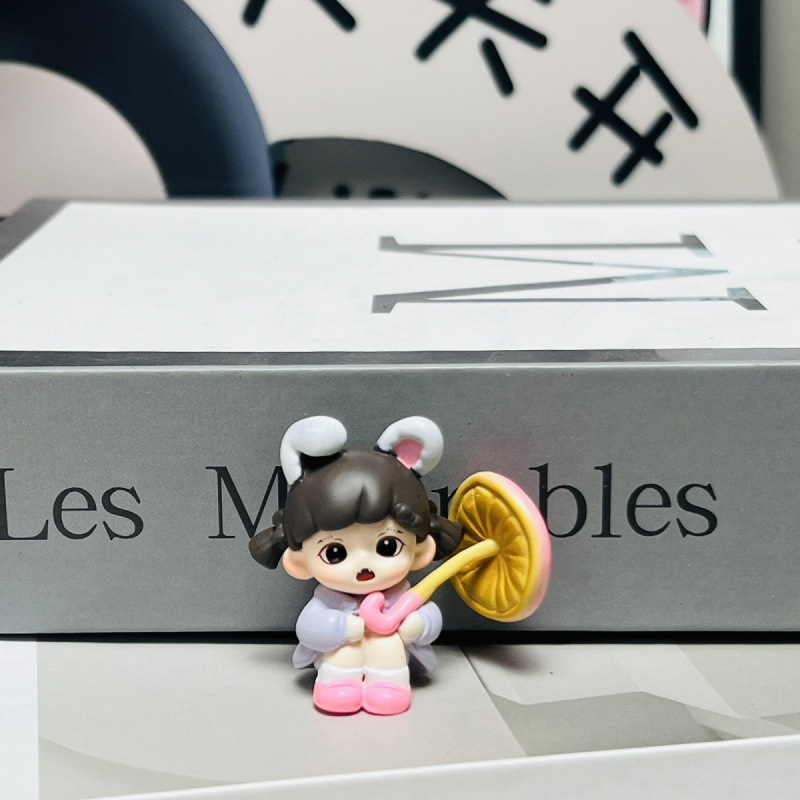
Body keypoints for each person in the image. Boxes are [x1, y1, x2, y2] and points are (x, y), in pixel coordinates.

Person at [249, 415, 463, 715]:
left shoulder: (404, 597)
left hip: (391, 660)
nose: (364, 566)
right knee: (345, 650)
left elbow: (431, 617)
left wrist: (417, 625)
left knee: (387, 645)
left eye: (387, 547)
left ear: (419, 552)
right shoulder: (328, 601)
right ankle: (337, 685)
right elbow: (308, 628)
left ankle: (390, 686)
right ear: (300, 563)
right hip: (341, 653)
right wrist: (347, 627)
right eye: (335, 553)